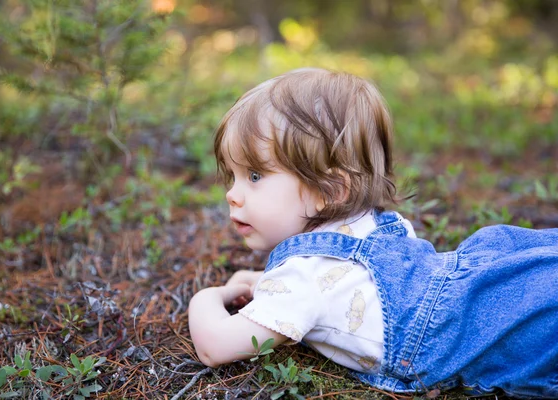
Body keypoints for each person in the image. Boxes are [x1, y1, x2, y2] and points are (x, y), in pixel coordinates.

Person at [187, 68, 558, 397]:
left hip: (493, 327)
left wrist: (208, 296)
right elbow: (337, 283)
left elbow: (214, 347)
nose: (232, 195)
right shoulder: (368, 225)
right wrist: (267, 284)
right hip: (489, 282)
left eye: (254, 176)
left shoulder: (303, 277)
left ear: (330, 192)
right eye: (232, 176)